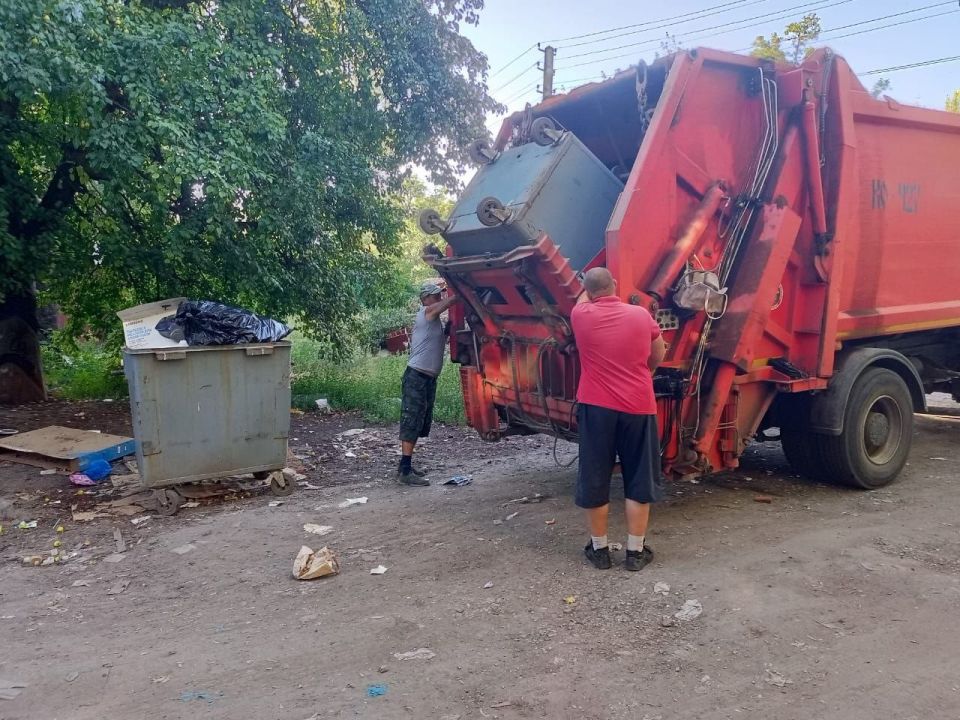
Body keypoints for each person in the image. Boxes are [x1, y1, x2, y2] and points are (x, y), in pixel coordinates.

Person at [570, 267, 667, 571]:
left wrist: (586, 284)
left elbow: (581, 296)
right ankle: (635, 553)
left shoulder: (580, 315)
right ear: (615, 285)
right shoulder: (641, 316)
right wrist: (642, 372)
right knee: (639, 475)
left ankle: (599, 550)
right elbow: (657, 355)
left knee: (595, 474)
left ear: (588, 289)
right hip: (638, 405)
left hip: (596, 407)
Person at [397, 282, 458, 486]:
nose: (438, 298)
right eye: (435, 296)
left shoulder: (433, 321)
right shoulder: (426, 312)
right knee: (411, 420)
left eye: (439, 295)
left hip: (427, 378)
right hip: (417, 376)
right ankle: (405, 471)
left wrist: (449, 330)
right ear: (425, 299)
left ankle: (405, 466)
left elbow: (436, 340)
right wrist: (460, 293)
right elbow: (446, 304)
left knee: (420, 421)